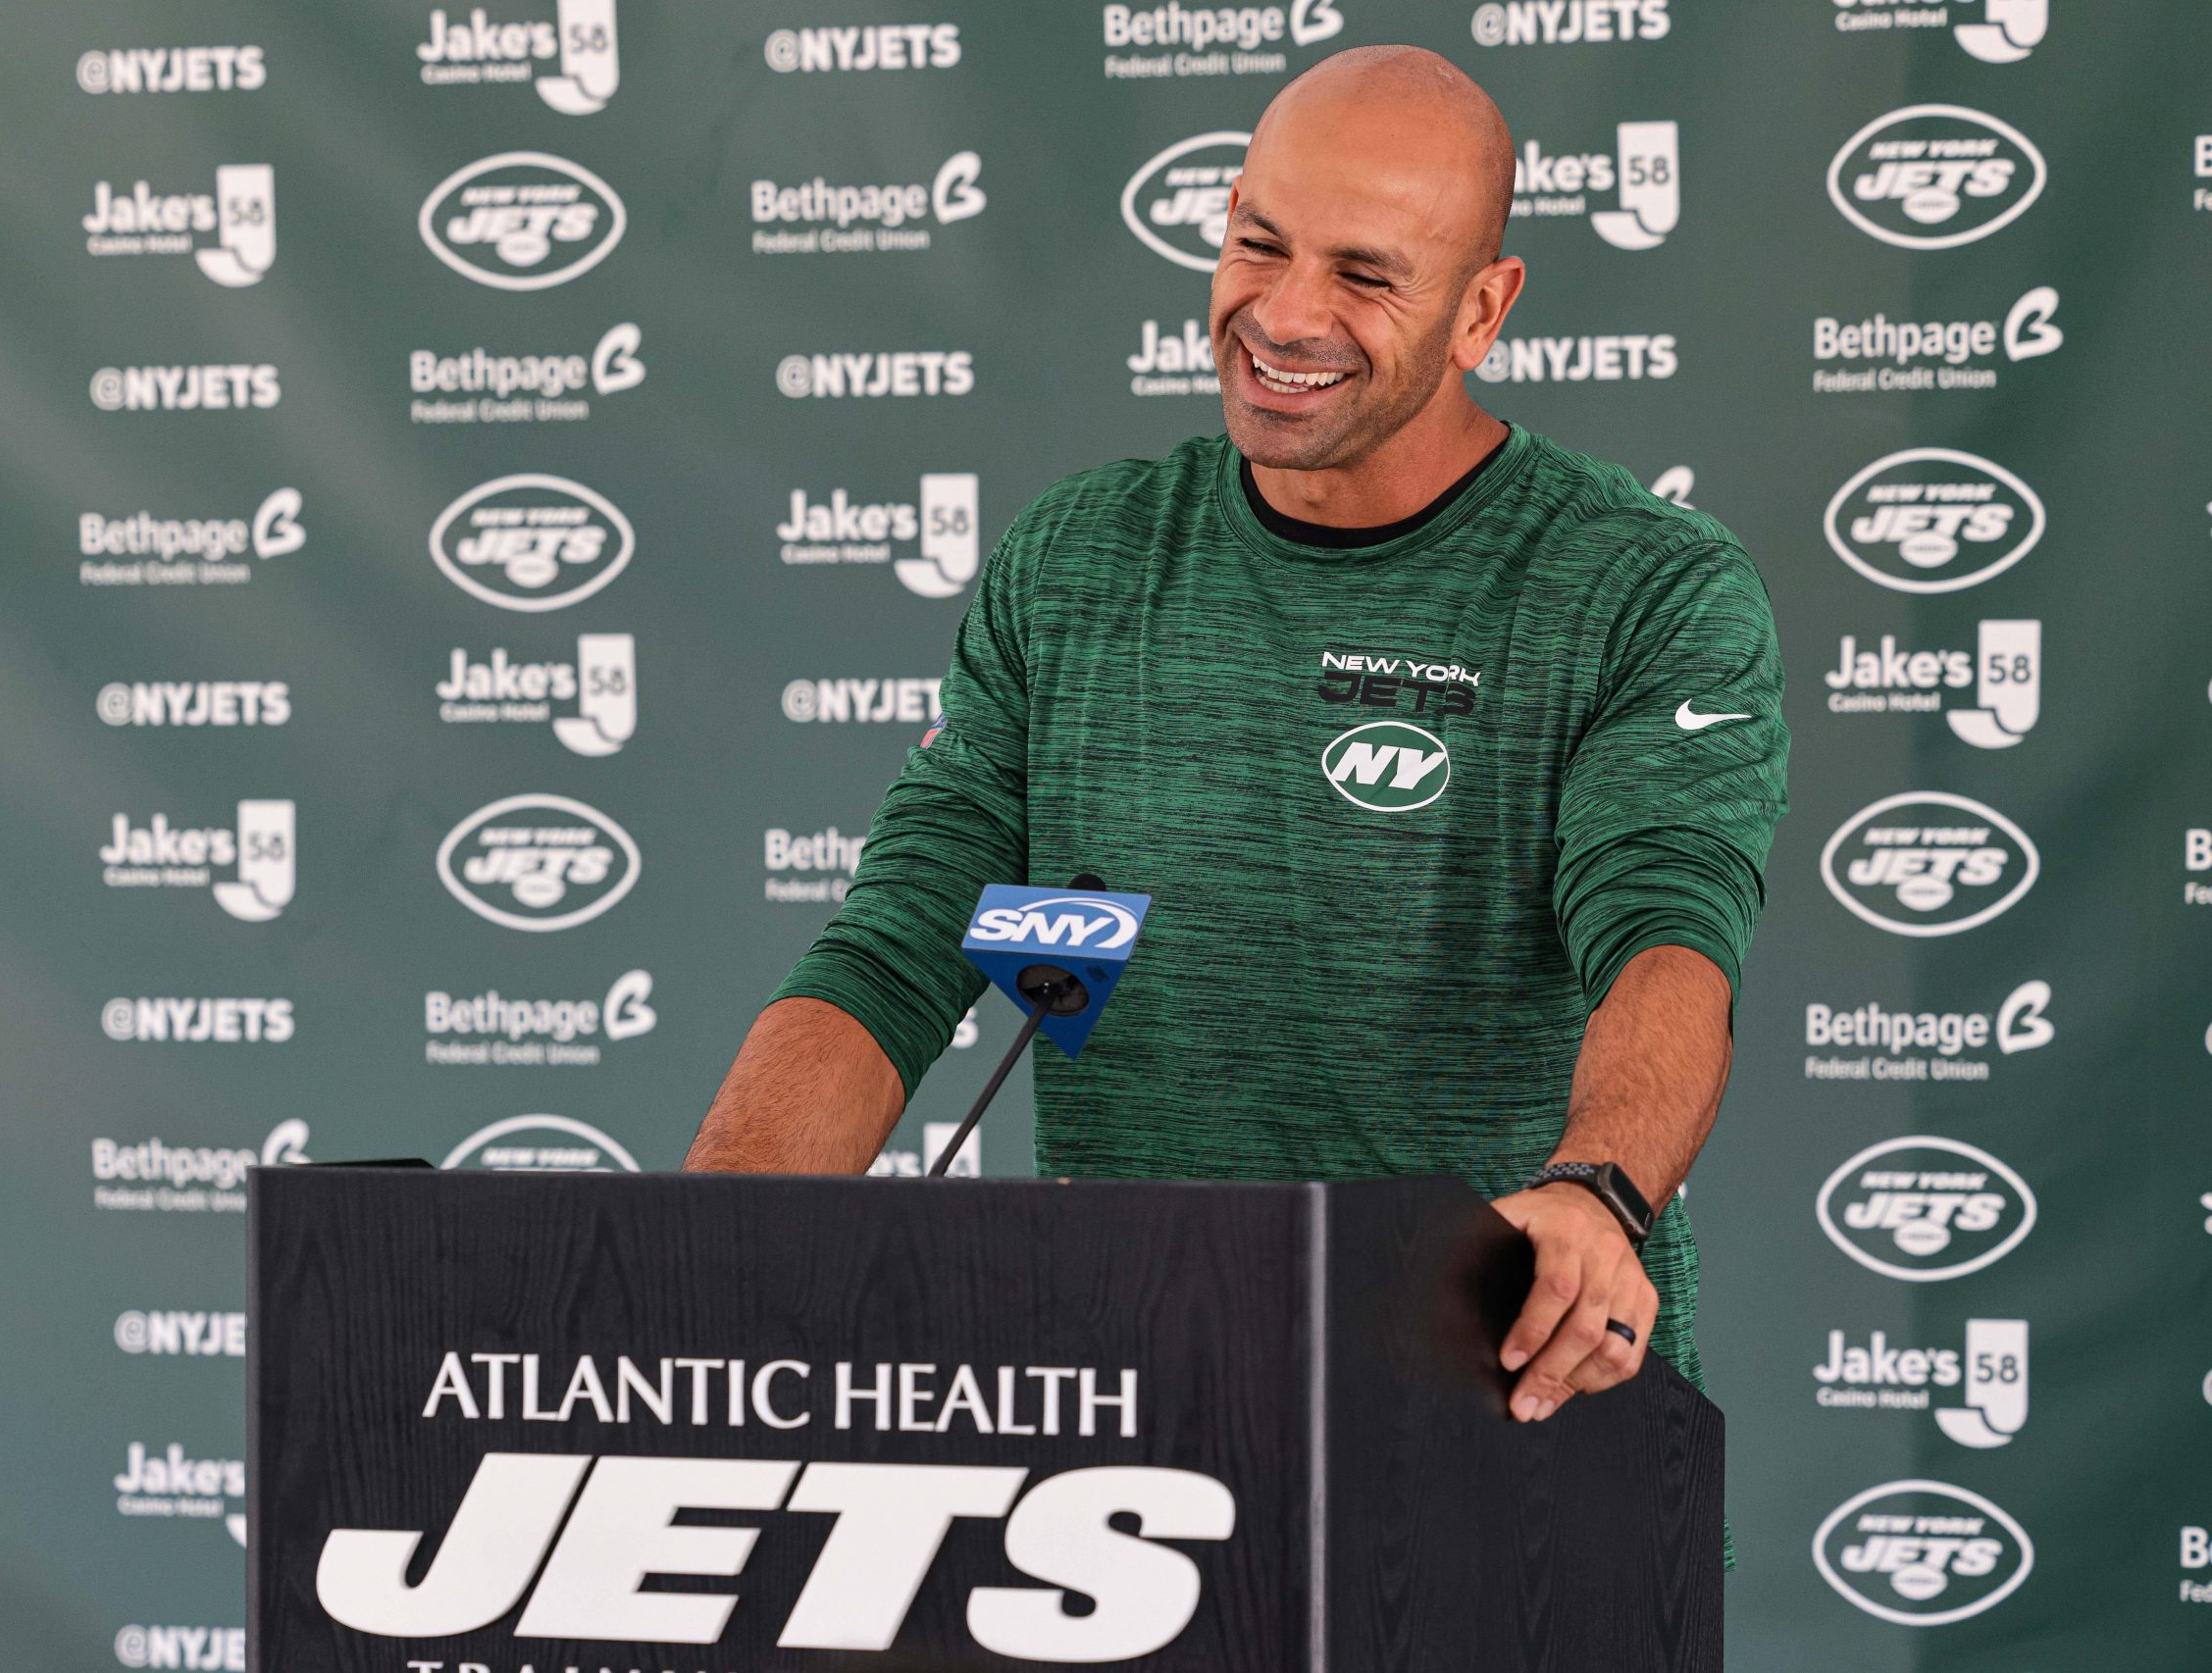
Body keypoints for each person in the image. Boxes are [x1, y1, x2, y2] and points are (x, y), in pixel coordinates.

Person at [686, 44, 1789, 1438]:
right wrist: (702, 1254)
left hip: (1505, 1402)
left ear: (1482, 310)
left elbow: (1668, 937)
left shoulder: (1646, 585)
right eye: (1256, 242)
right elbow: (905, 938)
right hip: (1119, 1405)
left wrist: (1596, 1196)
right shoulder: (1077, 559)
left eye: (1366, 274)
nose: (1283, 310)